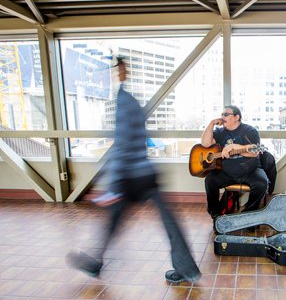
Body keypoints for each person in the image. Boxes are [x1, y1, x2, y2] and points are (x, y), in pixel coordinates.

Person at [66, 56, 201, 284]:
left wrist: (113, 186)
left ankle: (95, 263)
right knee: (164, 220)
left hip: (131, 177)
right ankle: (186, 268)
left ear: (119, 73)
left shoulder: (123, 102)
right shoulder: (130, 101)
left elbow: (124, 144)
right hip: (145, 173)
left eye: (113, 71)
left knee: (115, 220)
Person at [201, 105, 268, 223]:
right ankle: (215, 214)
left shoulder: (249, 131)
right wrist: (211, 124)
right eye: (222, 114)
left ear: (237, 117)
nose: (222, 117)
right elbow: (205, 144)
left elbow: (254, 152)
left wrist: (234, 147)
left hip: (250, 171)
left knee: (262, 183)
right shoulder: (219, 132)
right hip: (226, 173)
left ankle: (248, 216)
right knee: (210, 180)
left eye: (226, 114)